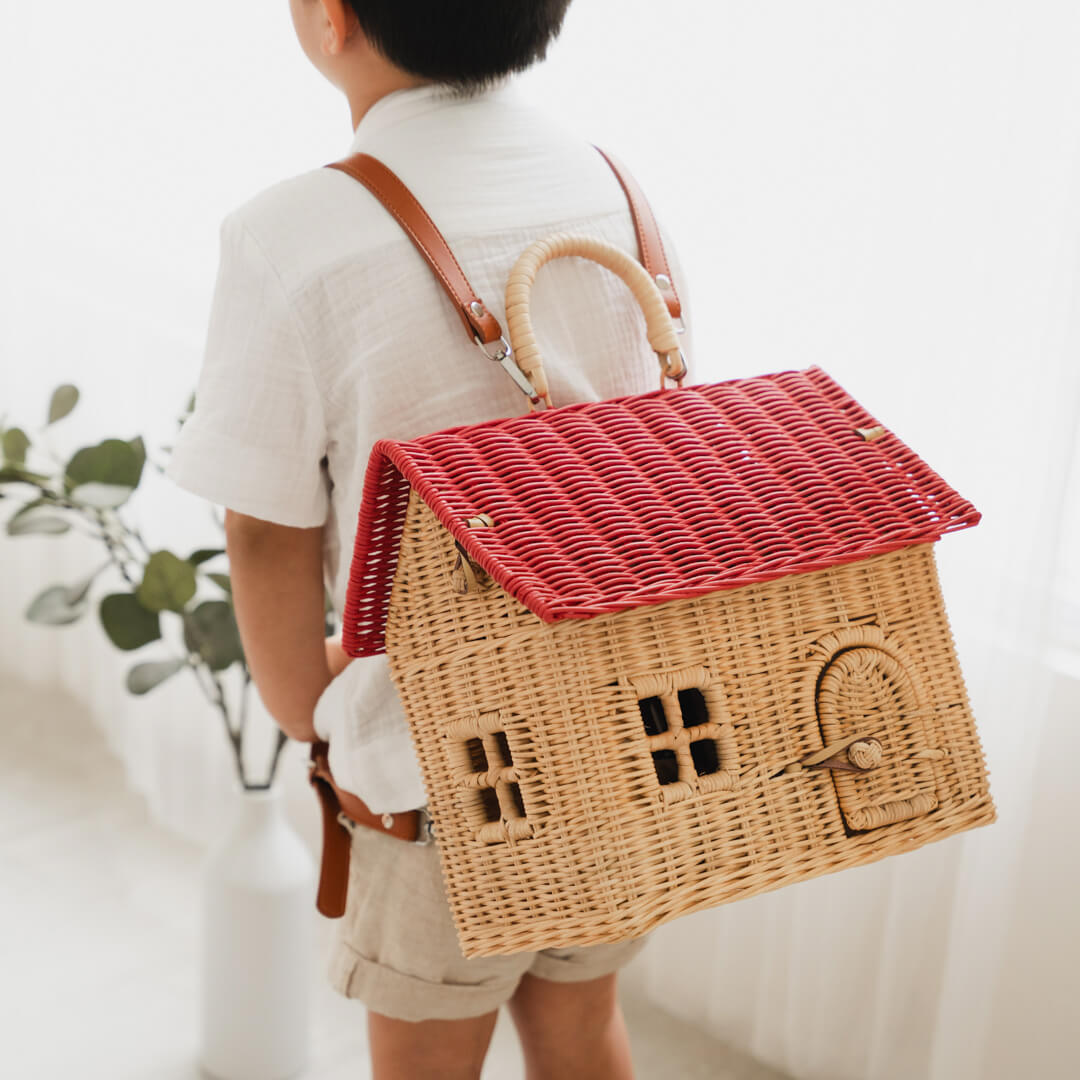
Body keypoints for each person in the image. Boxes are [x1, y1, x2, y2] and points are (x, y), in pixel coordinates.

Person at [165, 2, 692, 1077]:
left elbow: (265, 524)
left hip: (433, 760)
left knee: (425, 1061)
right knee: (584, 1026)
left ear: (331, 18)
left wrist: (304, 706)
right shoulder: (614, 185)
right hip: (617, 726)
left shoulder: (289, 234)